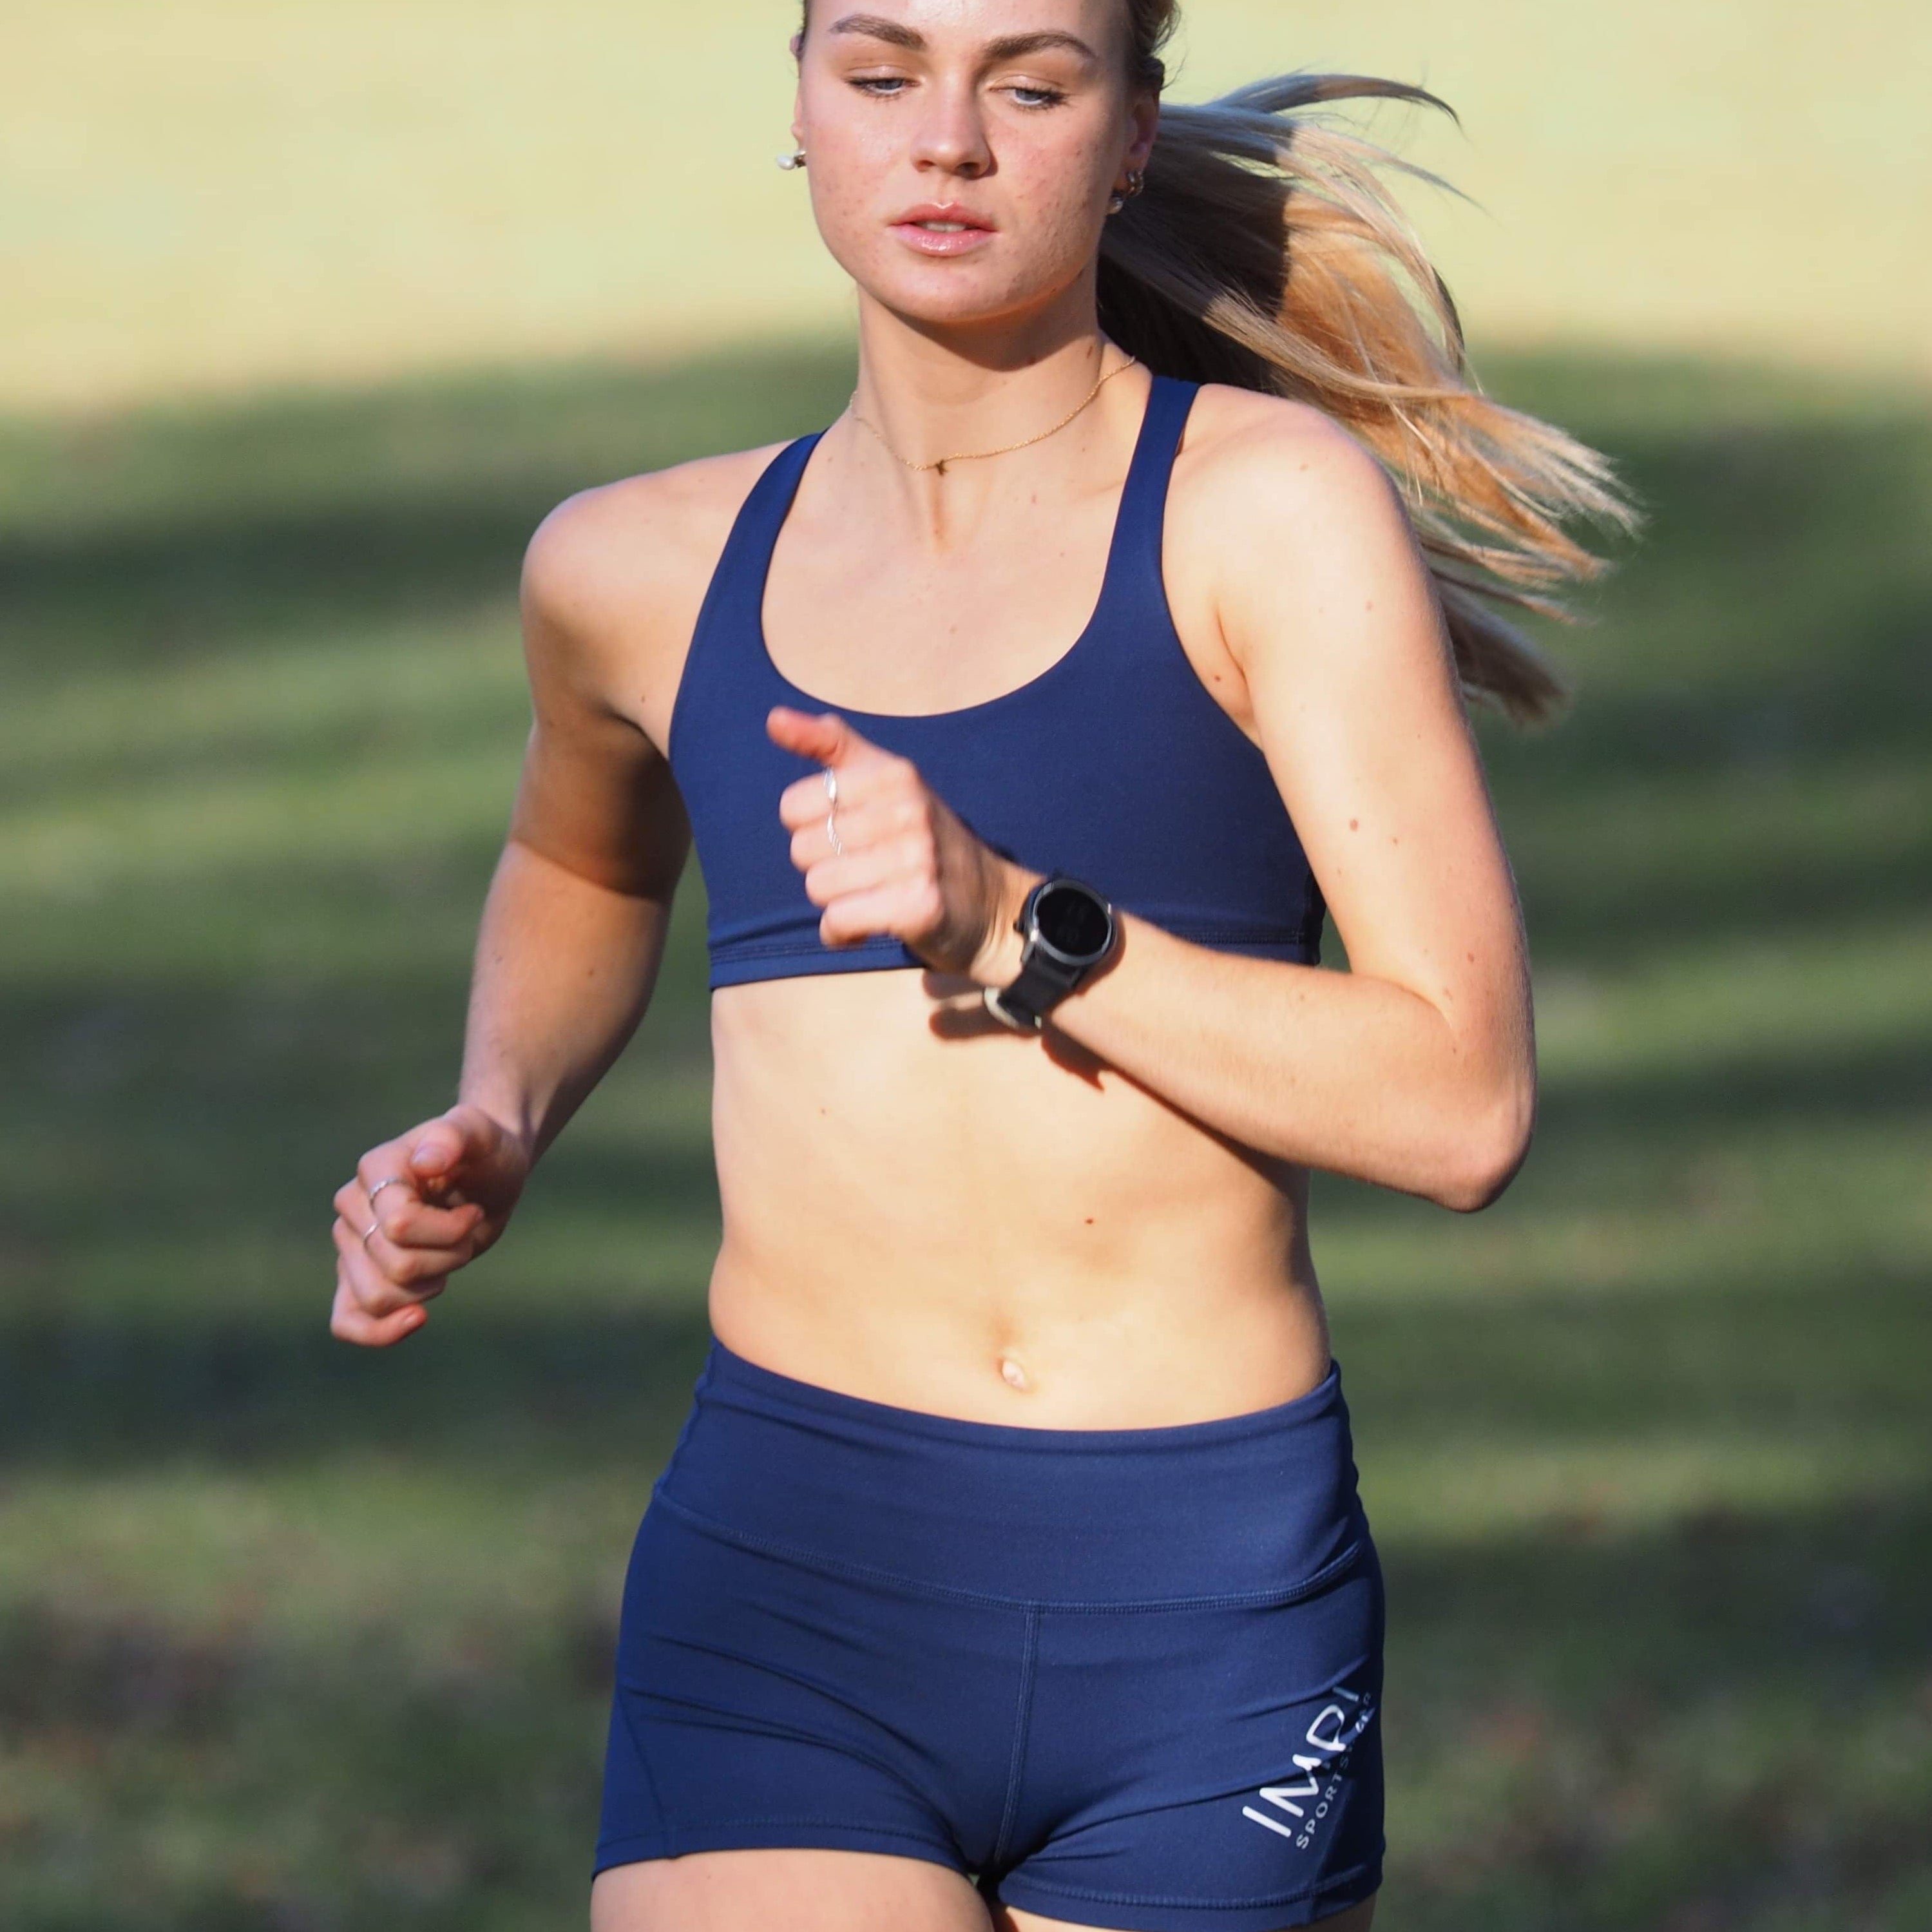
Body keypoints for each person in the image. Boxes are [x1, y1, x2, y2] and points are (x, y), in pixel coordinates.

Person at [327, 2, 1634, 1927]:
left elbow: (1461, 1106)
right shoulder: (631, 570)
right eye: (881, 74)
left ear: (1126, 132)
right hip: (791, 1579)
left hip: (1205, 1606)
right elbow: (576, 857)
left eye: (1028, 85)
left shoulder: (1263, 516)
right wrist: (501, 1116)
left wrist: (1020, 924)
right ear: (799, 106)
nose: (946, 140)